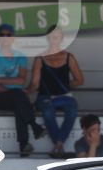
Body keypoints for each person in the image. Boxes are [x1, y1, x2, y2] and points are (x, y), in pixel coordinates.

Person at [0, 23, 43, 157]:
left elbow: (21, 80)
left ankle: (24, 145)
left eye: (8, 35)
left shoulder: (20, 56)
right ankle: (35, 126)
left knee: (19, 106)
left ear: (13, 38)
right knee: (18, 96)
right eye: (2, 35)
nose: (5, 37)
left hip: (18, 99)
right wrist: (10, 87)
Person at [28, 25, 83, 159]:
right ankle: (59, 145)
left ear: (62, 38)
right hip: (45, 97)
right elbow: (34, 84)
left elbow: (79, 80)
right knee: (47, 111)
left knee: (72, 110)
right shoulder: (40, 58)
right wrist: (25, 92)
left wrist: (65, 86)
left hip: (64, 97)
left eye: (57, 36)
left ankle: (58, 145)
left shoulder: (69, 57)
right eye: (52, 36)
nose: (54, 39)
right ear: (48, 38)